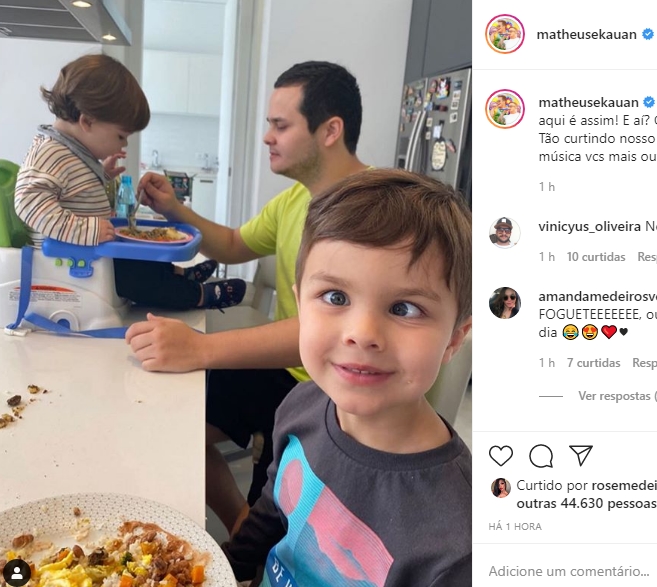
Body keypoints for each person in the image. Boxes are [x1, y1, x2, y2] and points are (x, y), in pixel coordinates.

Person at [124, 61, 369, 535]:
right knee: (174, 424)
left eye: (281, 125)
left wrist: (201, 348)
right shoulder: (296, 199)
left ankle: (255, 537)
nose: (267, 137)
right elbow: (235, 244)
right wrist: (175, 208)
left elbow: (335, 330)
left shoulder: (369, 211)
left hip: (333, 388)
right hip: (289, 369)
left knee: (273, 509)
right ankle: (243, 527)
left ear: (330, 130)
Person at [222, 168, 473, 586]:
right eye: (335, 297)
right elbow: (272, 512)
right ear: (300, 304)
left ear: (455, 339)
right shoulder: (300, 405)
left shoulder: (459, 539)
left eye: (405, 308)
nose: (362, 333)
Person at [13, 54, 242, 311]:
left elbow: (71, 191)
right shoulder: (50, 153)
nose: (124, 145)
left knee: (137, 254)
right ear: (87, 121)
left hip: (89, 254)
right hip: (70, 261)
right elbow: (29, 203)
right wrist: (86, 231)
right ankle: (198, 295)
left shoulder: (69, 152)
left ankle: (179, 274)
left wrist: (102, 174)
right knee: (138, 279)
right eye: (121, 136)